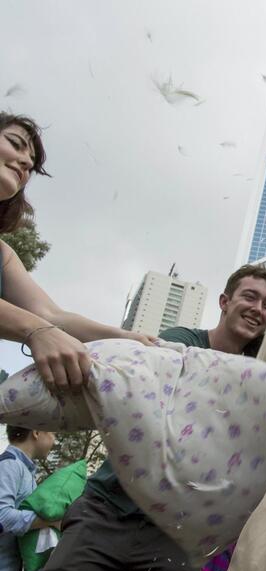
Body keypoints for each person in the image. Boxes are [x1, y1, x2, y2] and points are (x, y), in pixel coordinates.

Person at [29, 265, 266, 571]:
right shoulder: (181, 340)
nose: (258, 308)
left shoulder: (257, 372)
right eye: (250, 297)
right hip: (109, 511)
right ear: (225, 302)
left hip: (176, 535)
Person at [0, 113, 154, 389]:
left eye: (31, 165)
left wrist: (123, 337)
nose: (25, 163)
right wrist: (34, 329)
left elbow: (51, 316)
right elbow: (42, 323)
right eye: (15, 143)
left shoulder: (4, 254)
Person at [0, 427, 56, 571]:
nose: (54, 438)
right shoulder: (9, 465)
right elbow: (2, 516)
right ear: (37, 431)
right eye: (52, 432)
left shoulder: (26, 471)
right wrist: (49, 520)